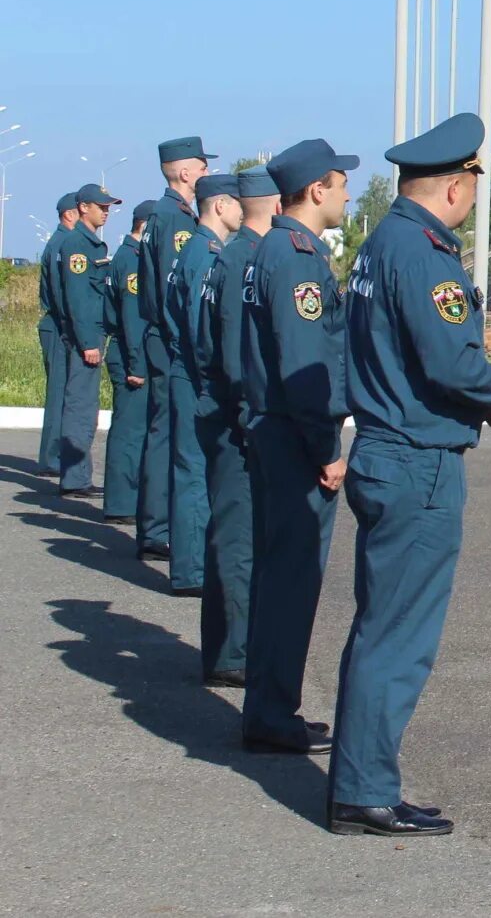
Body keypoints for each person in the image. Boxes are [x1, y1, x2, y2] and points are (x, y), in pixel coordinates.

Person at [328, 113, 491, 838]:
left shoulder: (381, 243)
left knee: (381, 627)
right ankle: (363, 791)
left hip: (389, 447)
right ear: (453, 187)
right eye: (474, 181)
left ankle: (363, 780)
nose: (475, 193)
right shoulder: (423, 253)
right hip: (417, 462)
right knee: (399, 635)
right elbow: (448, 360)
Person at [241, 138, 357, 756]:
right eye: (341, 185)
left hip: (274, 430)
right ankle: (271, 713)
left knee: (278, 575)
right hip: (293, 438)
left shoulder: (275, 249)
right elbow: (305, 363)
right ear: (317, 189)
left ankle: (271, 704)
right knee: (291, 579)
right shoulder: (296, 256)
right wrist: (325, 447)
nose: (346, 196)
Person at [199, 167, 276, 687]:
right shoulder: (243, 258)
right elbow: (235, 356)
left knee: (233, 534)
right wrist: (253, 421)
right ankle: (234, 652)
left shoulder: (235, 254)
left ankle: (228, 648)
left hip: (228, 414)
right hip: (236, 422)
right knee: (238, 538)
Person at [138, 137, 213, 570]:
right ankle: (159, 531)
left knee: (166, 437)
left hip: (163, 339)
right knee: (171, 440)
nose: (205, 177)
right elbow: (174, 290)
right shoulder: (175, 219)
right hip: (171, 342)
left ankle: (158, 528)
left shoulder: (165, 214)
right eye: (202, 169)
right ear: (186, 173)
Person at [167, 173, 239, 597]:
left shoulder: (194, 249)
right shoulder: (206, 254)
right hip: (195, 376)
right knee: (194, 471)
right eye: (235, 203)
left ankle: (190, 565)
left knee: (189, 467)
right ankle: (192, 570)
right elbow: (197, 326)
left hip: (185, 371)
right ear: (218, 205)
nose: (241, 211)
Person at [53, 184, 122, 499]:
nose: (106, 212)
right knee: (80, 407)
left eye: (108, 207)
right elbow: (78, 299)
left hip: (93, 334)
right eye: (101, 206)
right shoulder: (78, 246)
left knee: (86, 406)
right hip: (87, 338)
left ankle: (77, 476)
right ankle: (75, 478)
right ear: (83, 208)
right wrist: (88, 343)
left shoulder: (92, 244)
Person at [103, 200, 155, 526]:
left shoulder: (128, 257)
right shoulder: (133, 262)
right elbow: (134, 319)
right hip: (129, 353)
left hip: (127, 350)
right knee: (130, 433)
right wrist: (137, 366)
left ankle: (125, 500)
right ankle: (122, 503)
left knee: (132, 430)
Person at [37, 192, 81, 477]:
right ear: (69, 214)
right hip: (57, 325)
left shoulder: (61, 242)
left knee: (63, 392)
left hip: (58, 323)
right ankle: (51, 458)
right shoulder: (63, 243)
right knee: (58, 394)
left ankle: (55, 456)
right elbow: (60, 293)